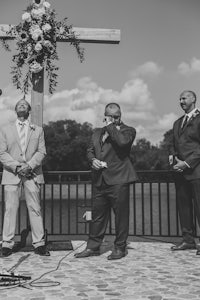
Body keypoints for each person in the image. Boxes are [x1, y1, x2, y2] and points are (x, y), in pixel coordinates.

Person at [75, 103, 138, 260]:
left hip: (119, 180)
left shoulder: (128, 131)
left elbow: (122, 143)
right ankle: (92, 247)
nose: (114, 119)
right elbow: (89, 150)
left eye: (116, 116)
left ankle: (120, 248)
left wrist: (111, 126)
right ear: (105, 116)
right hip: (99, 179)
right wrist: (93, 160)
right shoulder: (97, 132)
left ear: (120, 115)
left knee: (121, 216)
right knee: (98, 216)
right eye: (110, 117)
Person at [0, 99, 50, 257]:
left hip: (32, 173)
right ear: (15, 109)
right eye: (19, 104)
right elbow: (1, 153)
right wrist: (17, 166)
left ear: (29, 110)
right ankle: (7, 244)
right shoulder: (4, 129)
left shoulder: (38, 130)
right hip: (11, 173)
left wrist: (29, 166)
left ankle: (39, 244)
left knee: (35, 209)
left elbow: (42, 152)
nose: (22, 105)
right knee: (10, 209)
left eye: (24, 104)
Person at [169, 90, 200, 255]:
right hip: (180, 173)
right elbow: (173, 145)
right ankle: (188, 240)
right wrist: (173, 160)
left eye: (184, 98)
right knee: (184, 208)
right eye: (179, 98)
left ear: (193, 99)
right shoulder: (177, 123)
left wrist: (187, 163)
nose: (181, 101)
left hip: (196, 172)